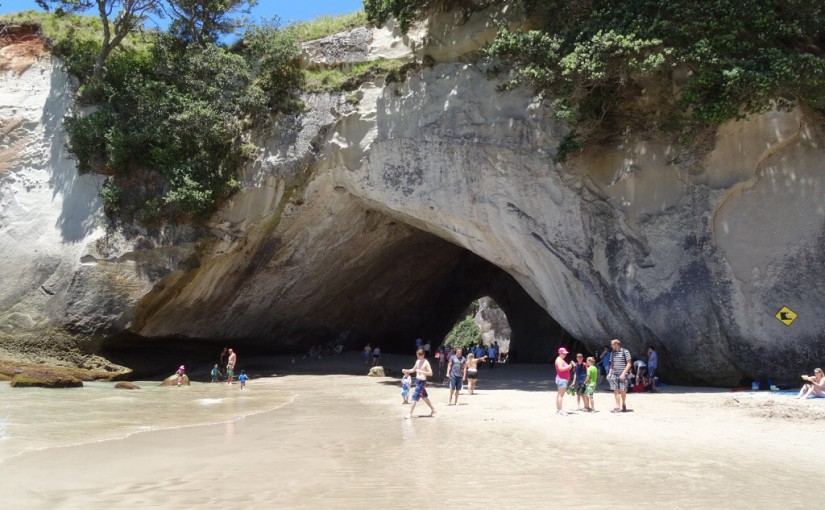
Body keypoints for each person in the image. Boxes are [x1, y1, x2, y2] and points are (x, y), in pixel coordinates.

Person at [403, 349, 436, 419]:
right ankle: (433, 409)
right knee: (424, 397)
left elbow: (431, 373)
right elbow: (413, 370)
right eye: (417, 356)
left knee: (414, 397)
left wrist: (421, 371)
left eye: (419, 356)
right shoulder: (417, 361)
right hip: (418, 381)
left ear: (423, 355)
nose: (418, 357)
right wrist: (406, 370)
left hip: (422, 382)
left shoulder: (426, 363)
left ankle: (410, 414)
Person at [607, 339, 632, 412]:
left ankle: (623, 403)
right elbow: (612, 364)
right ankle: (617, 406)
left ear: (616, 344)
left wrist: (624, 373)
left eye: (612, 344)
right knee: (615, 389)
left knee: (623, 389)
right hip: (614, 373)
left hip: (623, 373)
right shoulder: (612, 353)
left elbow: (629, 363)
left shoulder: (625, 351)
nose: (611, 346)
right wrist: (609, 373)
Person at [554, 347, 574, 416]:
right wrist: (569, 366)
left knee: (559, 395)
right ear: (560, 353)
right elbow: (560, 369)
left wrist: (569, 367)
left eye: (565, 353)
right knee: (561, 395)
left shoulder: (561, 359)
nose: (565, 355)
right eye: (564, 353)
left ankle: (558, 409)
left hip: (562, 379)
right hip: (562, 379)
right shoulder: (559, 360)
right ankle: (560, 410)